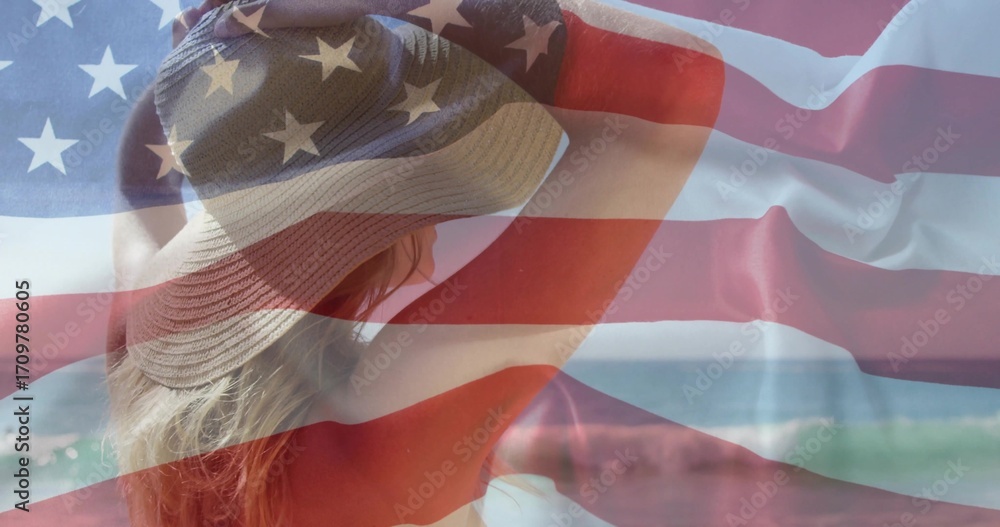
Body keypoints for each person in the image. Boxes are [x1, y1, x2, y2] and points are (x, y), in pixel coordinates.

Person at [107, 0, 722, 525]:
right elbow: (675, 85)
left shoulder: (150, 368)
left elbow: (137, 197)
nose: (435, 226)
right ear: (368, 226)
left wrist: (191, 88)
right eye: (420, 192)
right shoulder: (376, 431)